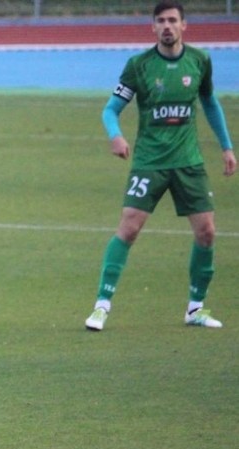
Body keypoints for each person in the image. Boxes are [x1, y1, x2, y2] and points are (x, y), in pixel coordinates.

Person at [84, 1, 236, 332]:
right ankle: (101, 306)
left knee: (207, 233)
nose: (167, 26)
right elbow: (110, 109)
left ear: (184, 25)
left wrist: (227, 146)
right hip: (149, 163)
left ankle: (195, 308)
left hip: (189, 162)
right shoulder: (139, 66)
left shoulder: (200, 61)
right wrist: (116, 136)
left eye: (172, 20)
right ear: (153, 27)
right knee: (129, 229)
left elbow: (209, 102)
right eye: (161, 21)